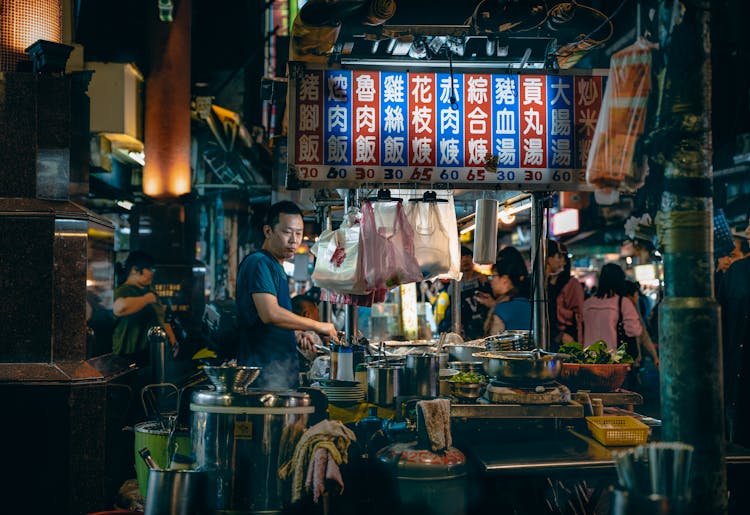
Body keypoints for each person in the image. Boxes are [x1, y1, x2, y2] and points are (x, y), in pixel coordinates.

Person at [236, 201, 337, 389]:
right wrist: (318, 326)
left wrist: (296, 333)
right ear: (268, 232)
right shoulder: (259, 263)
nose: (294, 240)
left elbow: (271, 321)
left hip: (279, 374)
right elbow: (270, 314)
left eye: (298, 233)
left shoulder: (277, 266)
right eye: (287, 232)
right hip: (262, 377)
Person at [112, 250, 177, 366]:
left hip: (150, 352)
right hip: (129, 355)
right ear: (135, 270)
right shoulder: (124, 290)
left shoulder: (148, 290)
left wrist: (172, 339)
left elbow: (161, 317)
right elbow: (119, 308)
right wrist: (146, 299)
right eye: (150, 269)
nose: (153, 273)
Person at [581, 263, 642, 352]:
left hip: (589, 358)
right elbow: (634, 330)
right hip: (614, 359)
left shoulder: (587, 303)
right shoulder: (623, 303)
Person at [546, 239, 584, 351]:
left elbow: (579, 315)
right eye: (559, 257)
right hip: (548, 337)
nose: (562, 262)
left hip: (567, 338)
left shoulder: (572, 284)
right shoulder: (542, 283)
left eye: (562, 257)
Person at [486, 258, 531, 334]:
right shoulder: (529, 303)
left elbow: (494, 340)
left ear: (505, 279)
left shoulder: (501, 309)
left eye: (493, 276)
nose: (491, 281)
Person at [622, 280, 659, 368]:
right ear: (630, 295)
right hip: (631, 359)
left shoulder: (624, 308)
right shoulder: (630, 309)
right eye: (636, 295)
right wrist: (654, 356)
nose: (637, 298)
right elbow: (643, 334)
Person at [458, 246, 490, 340]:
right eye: (462, 256)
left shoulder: (483, 279)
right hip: (466, 330)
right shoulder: (454, 286)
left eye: (468, 256)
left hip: (484, 327)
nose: (465, 259)